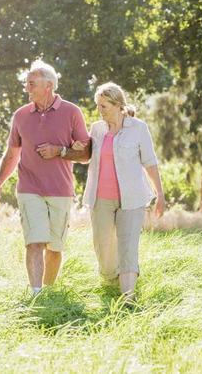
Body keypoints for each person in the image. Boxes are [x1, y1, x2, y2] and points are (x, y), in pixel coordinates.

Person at [0, 60, 91, 295]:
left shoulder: (72, 112)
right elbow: (12, 154)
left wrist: (60, 151)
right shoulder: (21, 115)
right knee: (34, 242)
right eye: (26, 83)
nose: (27, 88)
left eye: (31, 83)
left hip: (60, 189)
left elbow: (86, 154)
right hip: (29, 188)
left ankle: (48, 292)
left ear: (49, 85)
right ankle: (36, 293)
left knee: (55, 248)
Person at [72, 81, 165, 303]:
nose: (99, 110)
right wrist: (79, 149)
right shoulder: (97, 129)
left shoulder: (138, 128)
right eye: (98, 105)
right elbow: (88, 157)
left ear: (117, 105)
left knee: (128, 246)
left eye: (104, 106)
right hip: (100, 199)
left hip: (131, 199)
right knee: (103, 247)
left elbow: (150, 163)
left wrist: (159, 194)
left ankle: (128, 298)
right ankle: (111, 283)